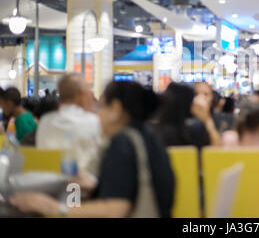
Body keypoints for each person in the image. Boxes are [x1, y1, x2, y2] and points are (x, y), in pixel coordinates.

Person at [10, 81, 175, 218]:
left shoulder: (122, 143)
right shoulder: (147, 137)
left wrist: (53, 208)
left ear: (116, 110)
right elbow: (131, 189)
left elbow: (116, 209)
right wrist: (94, 185)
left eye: (101, 106)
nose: (97, 114)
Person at [36, 74, 103, 173]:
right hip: (85, 185)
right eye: (89, 92)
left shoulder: (44, 121)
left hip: (50, 185)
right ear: (82, 95)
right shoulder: (93, 122)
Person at [156, 82, 221, 148]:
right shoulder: (195, 129)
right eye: (196, 94)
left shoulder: (155, 129)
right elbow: (216, 151)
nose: (201, 98)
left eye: (206, 94)